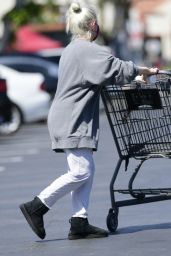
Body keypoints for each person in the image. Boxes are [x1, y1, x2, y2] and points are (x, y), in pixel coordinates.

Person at [19, 1, 158, 240]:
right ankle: (37, 206)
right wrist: (140, 69)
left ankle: (79, 221)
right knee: (81, 171)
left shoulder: (74, 48)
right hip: (72, 118)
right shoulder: (86, 50)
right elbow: (112, 68)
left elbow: (104, 73)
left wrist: (135, 72)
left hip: (69, 116)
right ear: (93, 24)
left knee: (85, 169)